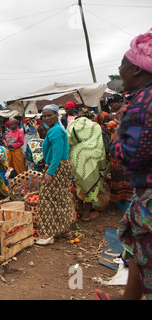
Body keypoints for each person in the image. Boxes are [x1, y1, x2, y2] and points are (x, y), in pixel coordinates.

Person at [96, 28, 152, 300]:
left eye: (123, 67)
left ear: (139, 70)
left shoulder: (143, 103)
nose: (120, 74)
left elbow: (133, 155)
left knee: (147, 260)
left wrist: (117, 137)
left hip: (149, 194)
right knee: (138, 255)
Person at [36, 104, 74, 245]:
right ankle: (64, 230)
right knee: (61, 198)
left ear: (56, 115)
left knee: (47, 200)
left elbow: (57, 153)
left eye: (49, 115)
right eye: (44, 116)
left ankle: (48, 235)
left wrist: (50, 172)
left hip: (56, 167)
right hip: (62, 165)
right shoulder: (57, 129)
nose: (46, 118)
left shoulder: (55, 131)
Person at [67, 114, 106, 222]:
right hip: (92, 156)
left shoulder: (72, 125)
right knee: (91, 184)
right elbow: (100, 145)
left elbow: (68, 142)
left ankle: (79, 209)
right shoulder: (95, 126)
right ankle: (86, 214)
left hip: (76, 156)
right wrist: (102, 165)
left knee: (79, 183)